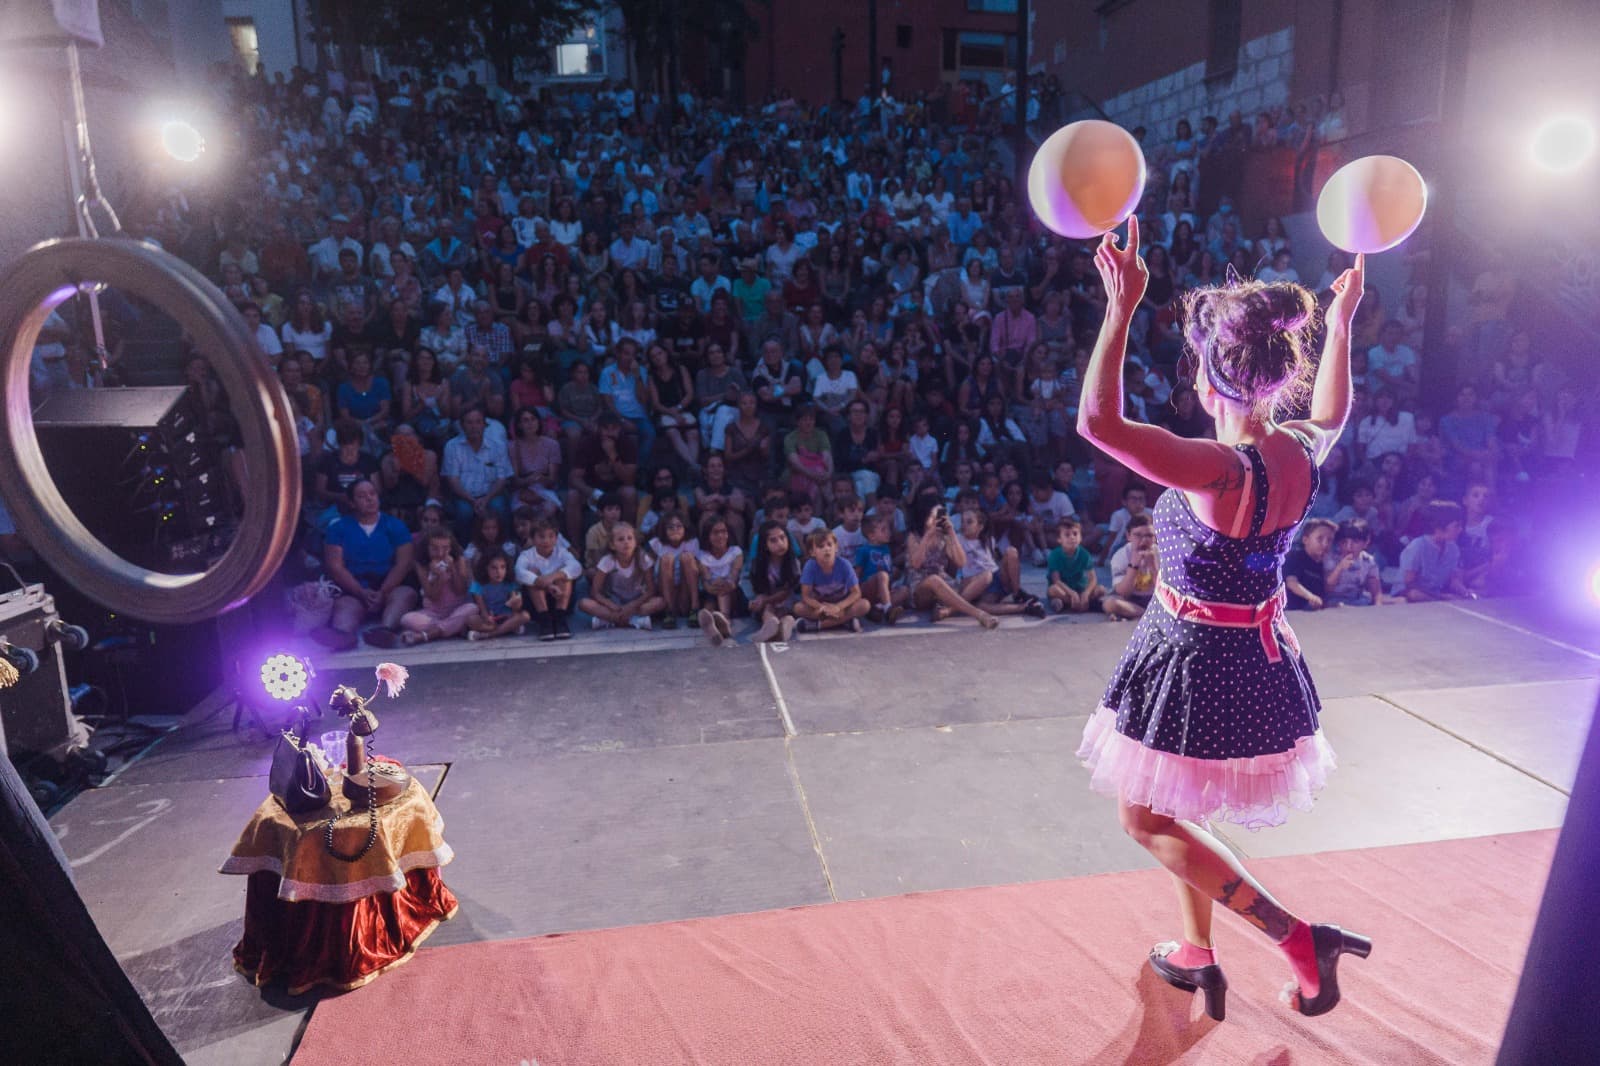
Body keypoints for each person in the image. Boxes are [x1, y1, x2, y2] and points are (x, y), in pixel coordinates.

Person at [1075, 218, 1370, 1021]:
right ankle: (1198, 951)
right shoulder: (1301, 451)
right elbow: (1335, 410)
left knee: (1146, 815)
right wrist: (1341, 325)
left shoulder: (1216, 470)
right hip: (1256, 655)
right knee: (1182, 797)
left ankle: (1296, 936)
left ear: (1209, 382)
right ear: (1278, 380)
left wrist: (1120, 304)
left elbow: (1098, 425)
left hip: (1193, 654)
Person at [315, 479, 418, 650]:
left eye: (372, 494)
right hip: (355, 587)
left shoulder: (395, 525)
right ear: (351, 502)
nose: (369, 499)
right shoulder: (338, 528)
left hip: (389, 586)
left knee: (406, 594)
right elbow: (335, 567)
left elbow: (403, 563)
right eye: (362, 496)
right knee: (345, 606)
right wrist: (361, 592)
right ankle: (343, 636)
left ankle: (385, 630)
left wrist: (383, 592)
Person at [578, 522, 667, 630]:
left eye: (630, 538)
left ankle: (610, 621)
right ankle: (634, 621)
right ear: (612, 544)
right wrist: (613, 606)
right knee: (584, 603)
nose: (626, 542)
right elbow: (595, 592)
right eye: (621, 539)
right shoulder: (607, 561)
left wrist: (632, 606)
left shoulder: (643, 558)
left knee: (660, 602)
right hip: (615, 601)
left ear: (635, 542)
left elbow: (651, 590)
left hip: (638, 601)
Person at [514, 518, 581, 641]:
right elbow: (519, 572)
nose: (546, 541)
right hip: (535, 604)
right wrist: (545, 584)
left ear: (556, 539)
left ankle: (560, 620)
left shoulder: (562, 552)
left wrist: (553, 577)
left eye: (551, 536)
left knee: (565, 576)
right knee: (532, 575)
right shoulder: (526, 555)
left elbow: (576, 567)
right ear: (533, 539)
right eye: (541, 536)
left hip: (561, 598)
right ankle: (545, 622)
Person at [794, 530, 871, 633]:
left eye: (830, 545)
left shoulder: (844, 564)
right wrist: (822, 607)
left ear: (836, 547)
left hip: (842, 605)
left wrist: (838, 607)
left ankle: (817, 625)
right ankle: (845, 621)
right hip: (821, 607)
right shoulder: (810, 566)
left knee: (864, 605)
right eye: (821, 547)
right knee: (798, 608)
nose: (827, 549)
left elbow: (856, 593)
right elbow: (806, 596)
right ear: (812, 552)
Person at [1397, 500, 1471, 602]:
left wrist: (1466, 593)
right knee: (1414, 595)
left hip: (1436, 593)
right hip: (1409, 592)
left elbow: (1454, 580)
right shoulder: (1418, 546)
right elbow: (1409, 582)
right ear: (1440, 526)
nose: (1460, 529)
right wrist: (1440, 597)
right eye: (1456, 526)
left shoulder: (1453, 549)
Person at [748, 519, 801, 643]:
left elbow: (786, 592)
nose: (780, 543)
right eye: (773, 540)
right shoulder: (758, 565)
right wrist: (755, 602)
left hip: (787, 600)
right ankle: (771, 626)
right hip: (767, 598)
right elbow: (759, 590)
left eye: (783, 538)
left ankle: (784, 625)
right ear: (764, 545)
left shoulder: (793, 563)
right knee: (767, 608)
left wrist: (764, 600)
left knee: (785, 609)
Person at [694, 516, 743, 646]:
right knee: (708, 607)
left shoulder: (736, 552)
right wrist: (711, 586)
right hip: (711, 591)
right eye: (716, 532)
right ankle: (713, 629)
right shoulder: (701, 555)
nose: (720, 536)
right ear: (708, 535)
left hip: (733, 593)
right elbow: (706, 579)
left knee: (723, 589)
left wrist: (725, 582)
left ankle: (725, 622)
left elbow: (734, 575)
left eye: (723, 531)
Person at [1102, 513, 1158, 619]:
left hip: (1156, 599)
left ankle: (1149, 614)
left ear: (1155, 537)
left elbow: (1166, 592)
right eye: (1138, 535)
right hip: (1131, 600)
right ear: (1128, 536)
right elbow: (1123, 592)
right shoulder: (1120, 556)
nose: (1144, 540)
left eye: (1149, 536)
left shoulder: (1162, 554)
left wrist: (1153, 567)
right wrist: (1133, 566)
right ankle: (1147, 614)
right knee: (1109, 604)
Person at [465, 551, 530, 641]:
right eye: (494, 568)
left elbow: (515, 609)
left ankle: (488, 635)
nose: (499, 572)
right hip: (489, 620)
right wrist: (487, 618)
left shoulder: (509, 583)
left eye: (503, 567)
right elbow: (482, 610)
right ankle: (506, 629)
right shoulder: (478, 585)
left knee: (525, 616)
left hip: (506, 617)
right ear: (485, 568)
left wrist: (516, 604)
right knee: (471, 620)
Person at [1324, 520, 1387, 607]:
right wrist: (1340, 567)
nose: (1349, 547)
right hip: (1332, 600)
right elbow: (1327, 588)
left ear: (1366, 542)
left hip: (1356, 599)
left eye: (1355, 541)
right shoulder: (1331, 558)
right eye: (1344, 542)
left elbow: (1376, 591)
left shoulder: (1368, 561)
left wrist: (1377, 605)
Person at [1046, 517, 1101, 614]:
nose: (1072, 537)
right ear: (1059, 539)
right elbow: (1056, 580)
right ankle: (1078, 604)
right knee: (1052, 590)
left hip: (1080, 589)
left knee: (1101, 590)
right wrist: (1071, 593)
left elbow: (1093, 579)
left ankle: (1073, 604)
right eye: (1067, 535)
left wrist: (1086, 593)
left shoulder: (1085, 554)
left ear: (1080, 537)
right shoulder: (1054, 555)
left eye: (1075, 534)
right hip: (1064, 590)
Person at [1284, 517, 1336, 611]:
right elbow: (1291, 583)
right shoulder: (1295, 556)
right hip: (1291, 609)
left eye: (1329, 540)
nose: (1325, 544)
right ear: (1305, 540)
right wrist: (1311, 597)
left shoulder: (1324, 563)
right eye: (1320, 539)